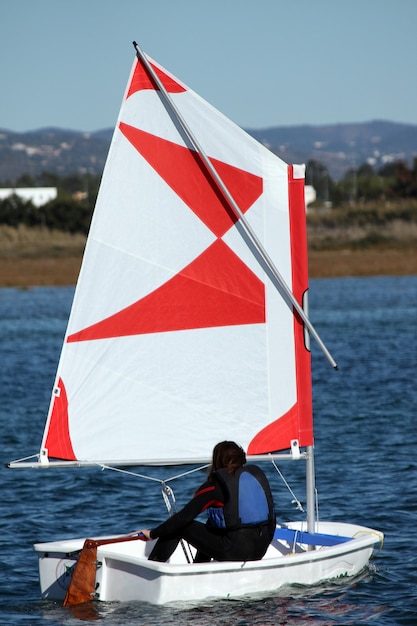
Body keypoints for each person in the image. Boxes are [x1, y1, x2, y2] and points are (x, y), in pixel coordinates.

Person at [138, 440, 276, 563]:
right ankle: (199, 568)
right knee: (213, 522)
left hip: (235, 551)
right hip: (260, 549)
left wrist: (153, 534)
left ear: (217, 460)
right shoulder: (256, 478)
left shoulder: (215, 485)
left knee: (180, 526)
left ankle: (152, 571)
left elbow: (183, 518)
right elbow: (272, 521)